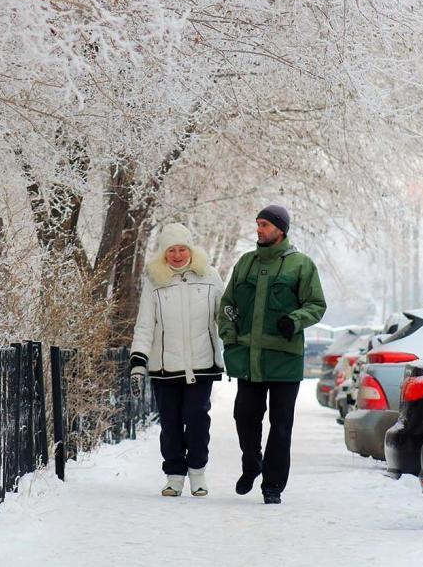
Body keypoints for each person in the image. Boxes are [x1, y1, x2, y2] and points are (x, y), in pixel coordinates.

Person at [217, 205, 327, 504]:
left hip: (284, 360)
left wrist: (295, 320)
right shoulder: (245, 264)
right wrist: (230, 339)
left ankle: (273, 486)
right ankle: (251, 464)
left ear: (280, 229)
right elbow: (227, 306)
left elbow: (316, 304)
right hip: (249, 360)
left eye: (264, 224)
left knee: (281, 426)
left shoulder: (301, 266)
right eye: (257, 224)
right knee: (244, 417)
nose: (259, 229)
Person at [129, 223, 225, 497]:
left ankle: (197, 472)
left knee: (196, 418)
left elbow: (225, 317)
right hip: (164, 367)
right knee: (170, 422)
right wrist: (138, 362)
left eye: (182, 249)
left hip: (202, 364)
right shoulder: (154, 281)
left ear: (191, 250)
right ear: (164, 253)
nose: (178, 255)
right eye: (172, 250)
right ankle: (174, 475)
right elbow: (145, 325)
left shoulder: (210, 276)